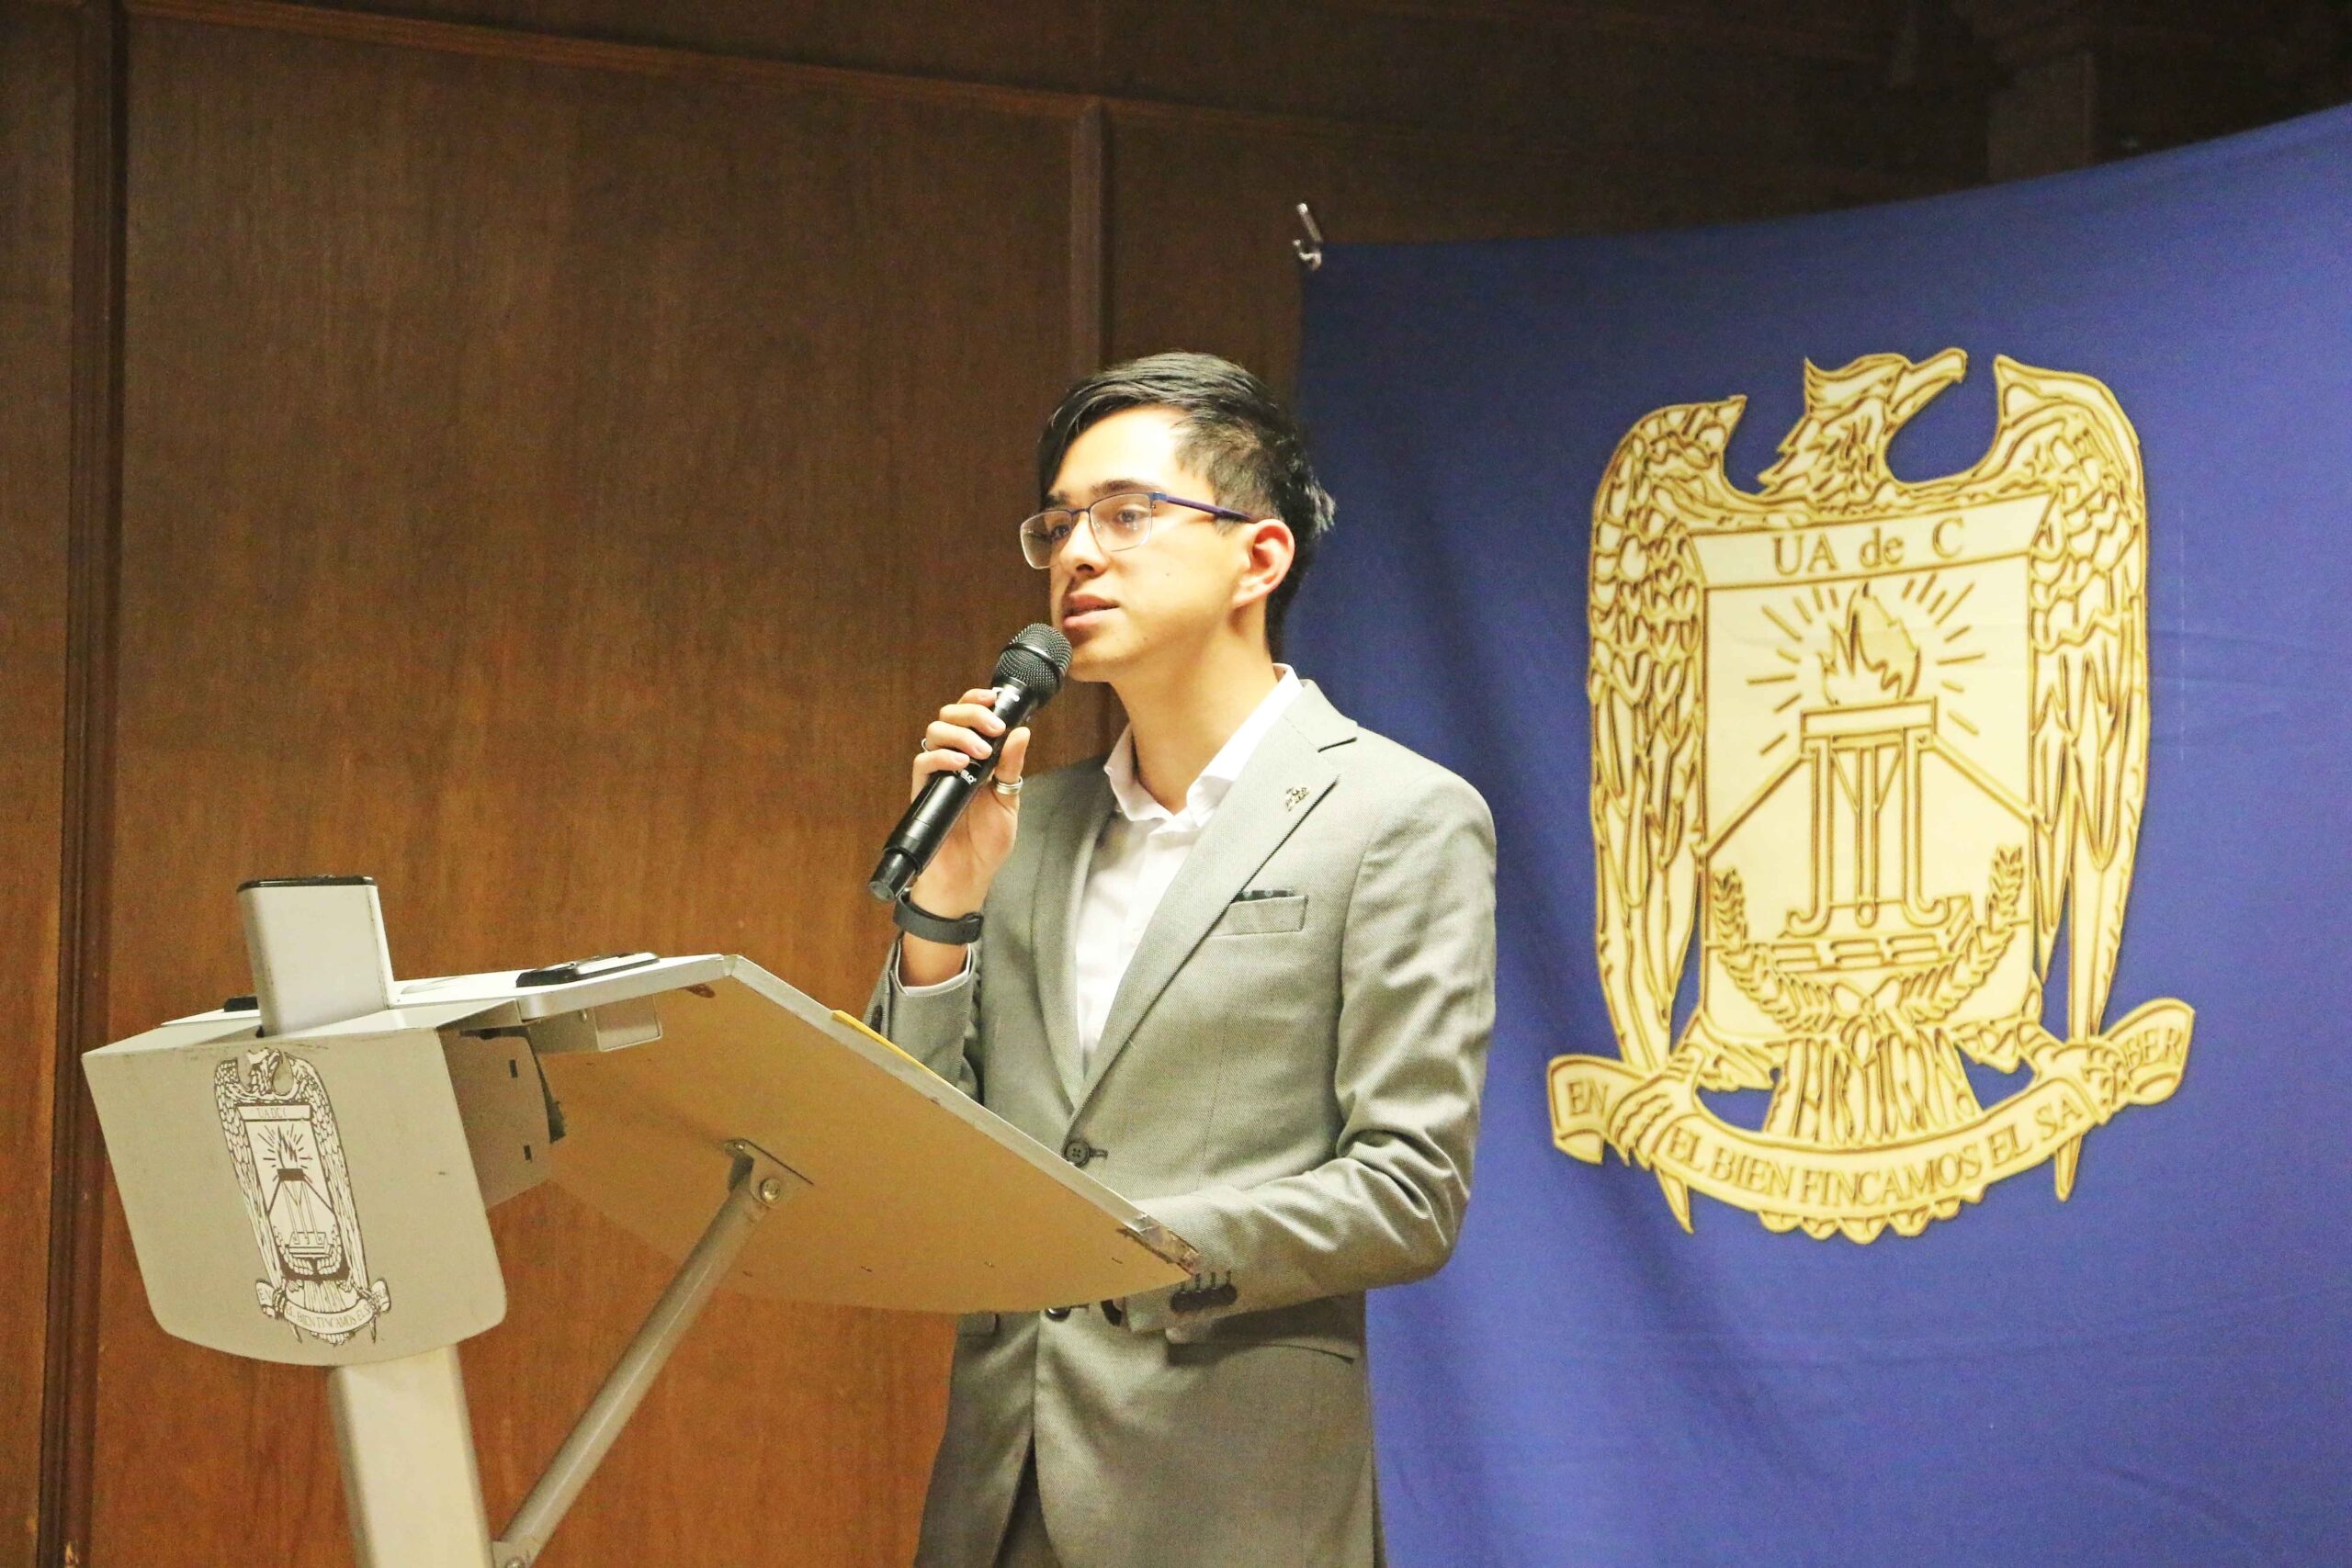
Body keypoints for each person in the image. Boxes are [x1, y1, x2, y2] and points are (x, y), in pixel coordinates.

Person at [864, 352, 1496, 1568]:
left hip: (1234, 1500)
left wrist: (1121, 1246)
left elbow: (1408, 1192)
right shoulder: (1024, 827)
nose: (1077, 555)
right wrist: (941, 913)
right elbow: (908, 1167)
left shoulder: (1397, 816)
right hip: (997, 1495)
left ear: (1259, 558)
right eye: (1057, 524)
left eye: (1125, 514)